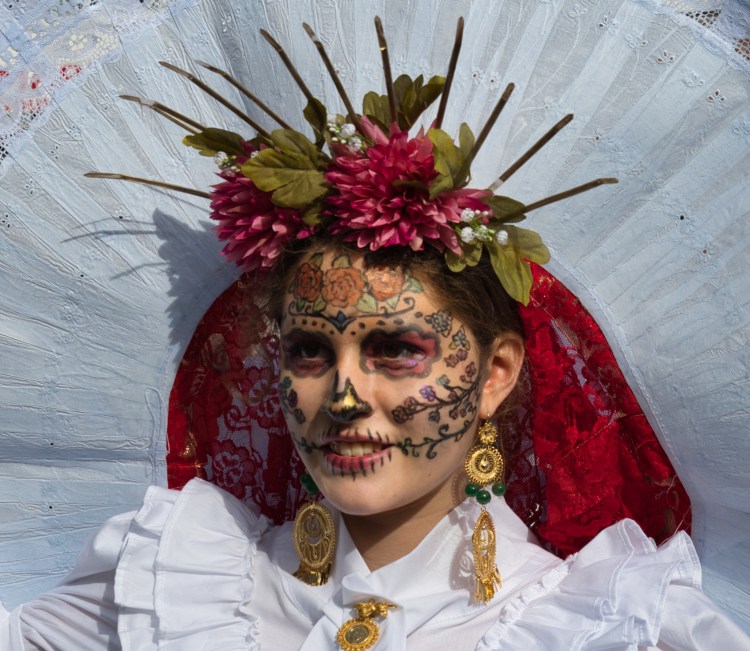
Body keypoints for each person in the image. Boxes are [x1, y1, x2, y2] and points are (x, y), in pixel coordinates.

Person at [2, 10, 750, 651]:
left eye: (396, 347)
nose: (346, 394)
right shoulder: (170, 588)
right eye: (310, 351)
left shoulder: (606, 622)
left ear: (495, 374)